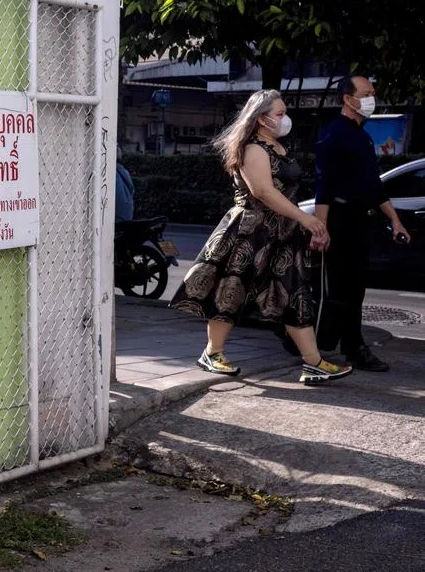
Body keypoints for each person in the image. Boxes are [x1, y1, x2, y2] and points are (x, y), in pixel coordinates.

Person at [169, 90, 352, 385]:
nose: (285, 119)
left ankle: (313, 363)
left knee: (295, 294)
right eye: (279, 114)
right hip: (250, 231)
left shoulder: (277, 146)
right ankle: (212, 353)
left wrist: (302, 222)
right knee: (232, 290)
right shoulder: (253, 149)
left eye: (283, 112)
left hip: (282, 233)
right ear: (260, 118)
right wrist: (305, 218)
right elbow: (263, 192)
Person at [311, 76, 411, 372]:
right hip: (339, 221)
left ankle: (351, 346)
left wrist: (396, 221)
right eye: (366, 94)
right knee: (340, 289)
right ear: (347, 98)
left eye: (372, 93)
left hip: (359, 221)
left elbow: (375, 186)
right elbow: (324, 186)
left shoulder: (363, 136)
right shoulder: (333, 135)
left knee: (356, 289)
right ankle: (348, 347)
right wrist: (321, 228)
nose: (372, 98)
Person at [116, 147, 134, 222]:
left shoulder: (111, 174)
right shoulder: (125, 172)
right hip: (128, 216)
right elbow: (132, 191)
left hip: (117, 217)